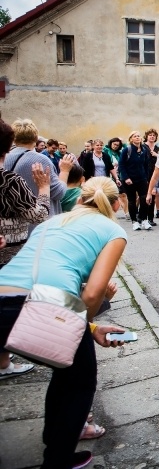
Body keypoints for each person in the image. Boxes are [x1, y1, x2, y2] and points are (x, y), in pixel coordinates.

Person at [0, 176, 128, 468]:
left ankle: (53, 437)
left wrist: (90, 330)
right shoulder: (113, 230)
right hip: (48, 304)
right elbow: (94, 292)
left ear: (78, 199)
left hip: (3, 294)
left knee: (65, 371)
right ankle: (57, 459)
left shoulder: (49, 224)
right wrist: (86, 325)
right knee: (79, 382)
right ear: (117, 204)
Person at [0, 117, 51, 378]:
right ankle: (5, 360)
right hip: (10, 250)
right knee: (9, 302)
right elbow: (38, 215)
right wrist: (43, 188)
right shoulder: (8, 181)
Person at [3, 118, 70, 220]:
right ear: (35, 138)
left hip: (15, 223)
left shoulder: (5, 158)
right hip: (39, 223)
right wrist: (65, 171)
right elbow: (59, 193)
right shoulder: (40, 160)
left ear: (14, 138)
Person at [117, 131, 153, 231]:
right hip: (129, 180)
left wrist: (146, 178)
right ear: (131, 139)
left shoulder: (144, 150)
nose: (137, 138)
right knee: (132, 200)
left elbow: (146, 165)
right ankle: (134, 221)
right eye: (135, 136)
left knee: (144, 198)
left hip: (142, 179)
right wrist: (126, 177)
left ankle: (143, 219)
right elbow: (121, 165)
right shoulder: (127, 150)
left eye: (138, 136)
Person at [143, 128, 159, 227]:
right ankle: (143, 217)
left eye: (154, 135)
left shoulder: (158, 148)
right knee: (145, 196)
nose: (152, 137)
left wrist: (156, 155)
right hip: (145, 173)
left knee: (153, 195)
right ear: (147, 136)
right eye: (150, 135)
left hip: (155, 172)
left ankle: (150, 218)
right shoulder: (143, 147)